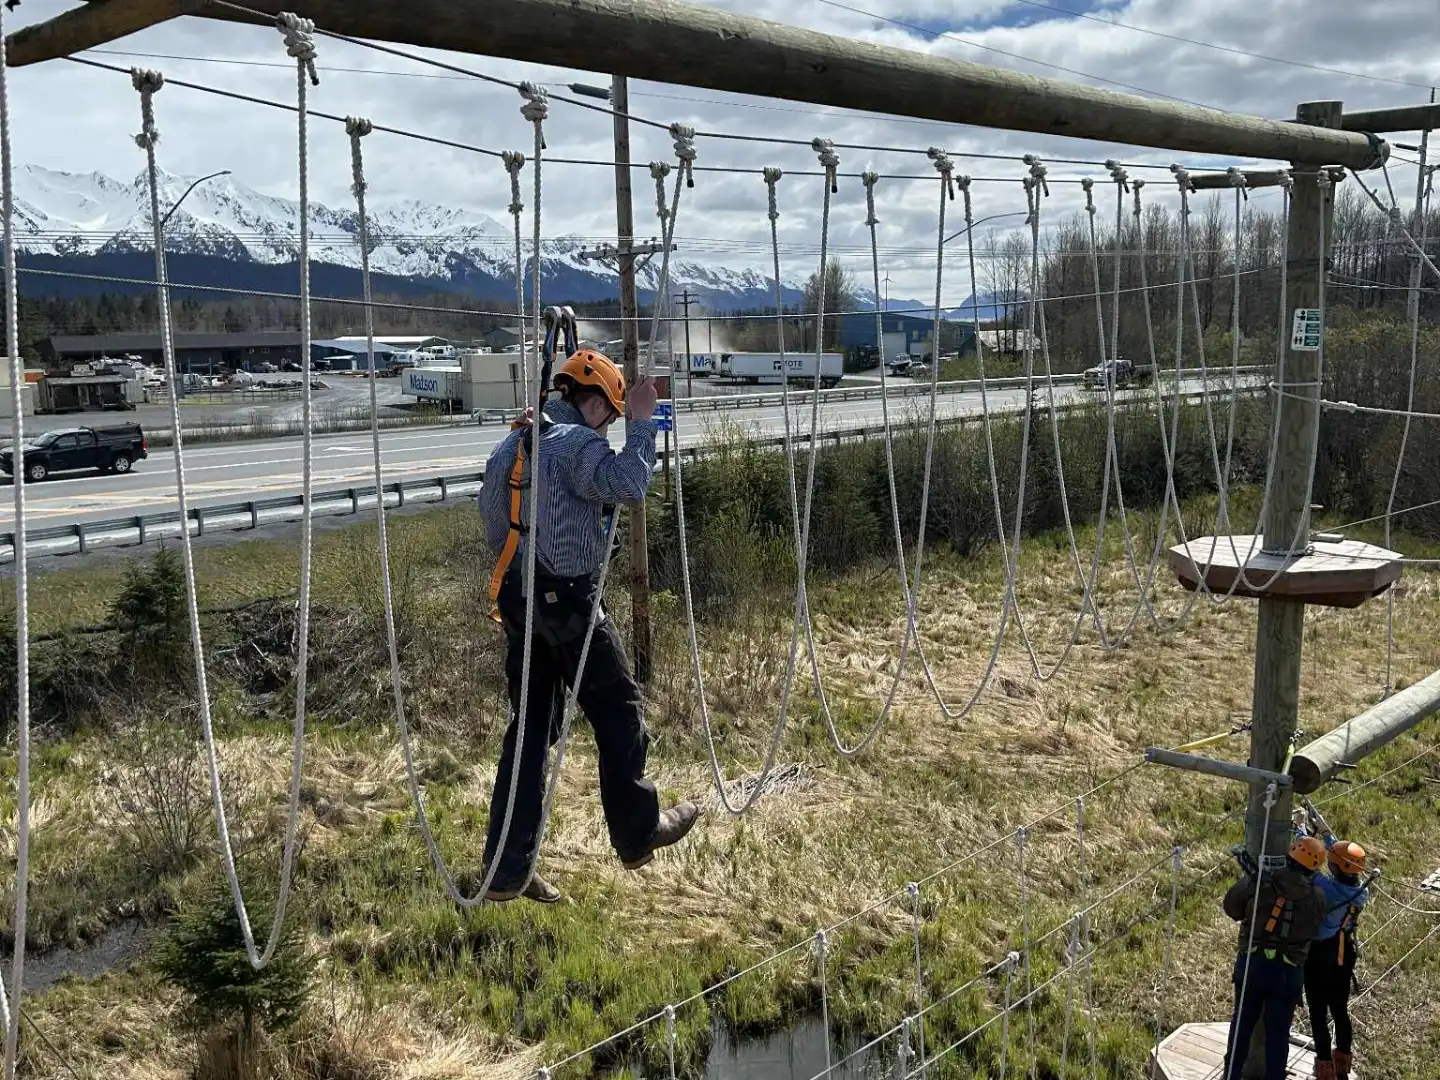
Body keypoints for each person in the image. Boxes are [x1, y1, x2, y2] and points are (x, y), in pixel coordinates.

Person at [477, 347, 698, 903]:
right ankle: (637, 833)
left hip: (519, 599)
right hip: (570, 603)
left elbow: (489, 515)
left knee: (530, 728)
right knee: (619, 713)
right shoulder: (577, 444)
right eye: (613, 414)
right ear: (596, 402)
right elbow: (630, 485)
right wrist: (644, 426)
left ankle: (506, 869)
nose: (611, 425)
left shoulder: (516, 443)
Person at [1220, 834, 1328, 1080]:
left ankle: (1231, 1076)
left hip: (1253, 965)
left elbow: (1231, 907)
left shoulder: (1260, 881)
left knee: (1241, 1029)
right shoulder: (1318, 897)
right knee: (1278, 1036)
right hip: (1288, 973)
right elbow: (1316, 929)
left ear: (1291, 855)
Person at [1298, 812, 1369, 1080]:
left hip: (1320, 954)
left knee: (1318, 1012)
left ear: (1336, 868)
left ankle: (1325, 1066)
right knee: (1339, 1009)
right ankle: (1342, 1062)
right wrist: (1327, 833)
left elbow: (1307, 859)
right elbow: (1342, 858)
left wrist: (1301, 829)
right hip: (1344, 952)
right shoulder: (1361, 890)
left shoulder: (1326, 888)